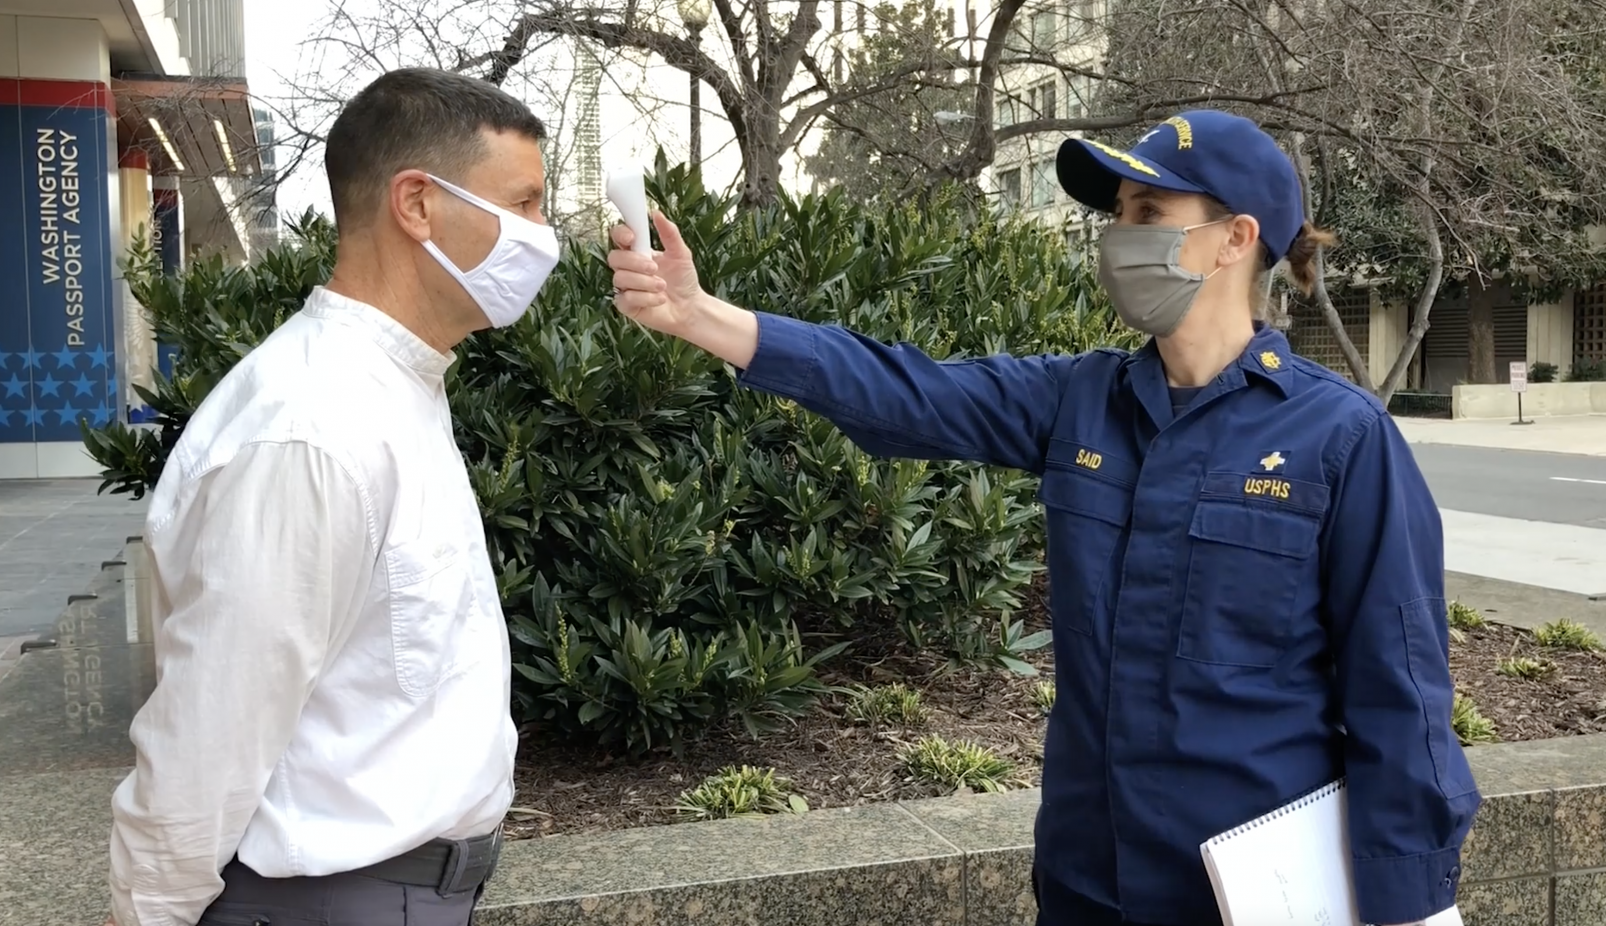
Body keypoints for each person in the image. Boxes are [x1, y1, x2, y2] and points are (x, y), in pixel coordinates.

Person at [606, 110, 1478, 926]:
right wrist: (700, 317)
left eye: (1148, 208)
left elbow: (1399, 693)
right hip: (1087, 877)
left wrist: (1411, 903)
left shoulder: (1340, 437)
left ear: (1234, 239)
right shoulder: (1079, 399)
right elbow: (906, 391)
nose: (1119, 234)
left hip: (1249, 888)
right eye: (1119, 212)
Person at [104, 68, 558, 926]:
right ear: (417, 204)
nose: (543, 237)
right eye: (524, 204)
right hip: (325, 904)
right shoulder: (314, 429)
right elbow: (210, 729)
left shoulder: (394, 389)